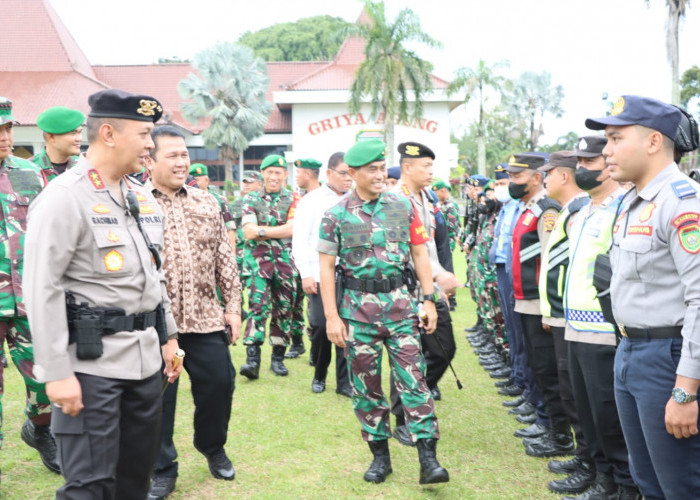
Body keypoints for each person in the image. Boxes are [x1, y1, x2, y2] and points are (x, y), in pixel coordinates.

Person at [24, 89, 182, 498]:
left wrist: (169, 336)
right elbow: (42, 289)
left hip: (145, 365)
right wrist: (56, 373)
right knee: (90, 488)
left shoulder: (140, 195)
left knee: (134, 481)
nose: (151, 143)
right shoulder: (64, 198)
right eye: (145, 134)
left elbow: (154, 274)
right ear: (109, 133)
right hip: (91, 370)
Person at [586, 95, 698, 499]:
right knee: (647, 481)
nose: (606, 150)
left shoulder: (683, 203)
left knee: (681, 483)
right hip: (631, 350)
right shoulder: (632, 202)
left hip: (668, 359)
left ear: (653, 141)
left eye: (616, 138)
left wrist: (686, 390)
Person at [318, 139, 449, 485]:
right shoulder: (335, 216)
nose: (380, 175)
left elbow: (420, 255)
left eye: (381, 168)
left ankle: (428, 459)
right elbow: (326, 269)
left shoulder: (403, 206)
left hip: (403, 309)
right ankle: (380, 457)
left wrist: (429, 300)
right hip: (357, 315)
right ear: (353, 173)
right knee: (366, 388)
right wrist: (332, 317)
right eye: (372, 170)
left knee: (414, 382)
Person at [146, 126, 242, 499]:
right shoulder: (136, 201)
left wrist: (232, 307)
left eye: (185, 154)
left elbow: (224, 258)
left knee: (219, 384)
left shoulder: (206, 201)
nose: (182, 161)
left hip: (205, 317)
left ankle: (212, 445)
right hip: (154, 324)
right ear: (149, 159)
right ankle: (162, 467)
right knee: (158, 397)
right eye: (172, 155)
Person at [559, 135, 637, 499]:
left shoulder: (621, 208)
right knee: (587, 414)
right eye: (579, 163)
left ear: (607, 167)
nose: (581, 170)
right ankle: (599, 475)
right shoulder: (586, 209)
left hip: (603, 330)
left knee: (609, 419)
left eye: (588, 163)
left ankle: (621, 484)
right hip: (576, 327)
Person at [0, 97, 58, 476]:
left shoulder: (30, 174)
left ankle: (39, 431)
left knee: (44, 381)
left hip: (26, 298)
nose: (5, 137)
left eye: (7, 128)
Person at [390, 142, 458, 445]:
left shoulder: (425, 197)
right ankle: (402, 416)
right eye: (426, 166)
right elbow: (404, 248)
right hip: (406, 291)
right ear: (407, 167)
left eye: (432, 165)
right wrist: (438, 274)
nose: (431, 171)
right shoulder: (395, 200)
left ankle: (415, 396)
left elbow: (428, 245)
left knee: (444, 348)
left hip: (427, 289)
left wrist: (435, 285)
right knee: (407, 356)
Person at [506, 153, 573, 454]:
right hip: (525, 301)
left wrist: (549, 308)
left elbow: (551, 261)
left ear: (536, 178)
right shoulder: (527, 209)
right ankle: (547, 423)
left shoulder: (546, 211)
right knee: (538, 366)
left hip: (539, 304)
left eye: (517, 177)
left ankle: (558, 434)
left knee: (548, 370)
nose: (511, 182)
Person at [535, 151, 593, 493]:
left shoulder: (579, 210)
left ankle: (589, 459)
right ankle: (585, 455)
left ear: (565, 176)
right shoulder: (573, 210)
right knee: (571, 391)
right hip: (562, 313)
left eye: (550, 173)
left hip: (574, 316)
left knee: (577, 393)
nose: (545, 179)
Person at [291, 153, 352, 396]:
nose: (349, 179)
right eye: (344, 173)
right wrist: (306, 273)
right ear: (329, 173)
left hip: (349, 275)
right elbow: (301, 240)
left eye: (352, 173)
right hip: (318, 274)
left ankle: (344, 382)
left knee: (346, 325)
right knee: (319, 325)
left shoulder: (356, 200)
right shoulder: (311, 201)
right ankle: (319, 373)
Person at [239, 154, 298, 378]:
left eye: (278, 172)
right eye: (270, 172)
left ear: (285, 175)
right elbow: (248, 231)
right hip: (258, 263)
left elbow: (291, 229)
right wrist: (278, 230)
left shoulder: (294, 199)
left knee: (284, 309)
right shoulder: (251, 199)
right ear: (263, 173)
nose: (274, 177)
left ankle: (278, 359)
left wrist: (262, 231)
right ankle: (252, 361)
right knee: (257, 307)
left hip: (285, 263)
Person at [286, 158, 324, 360]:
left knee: (317, 313)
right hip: (301, 262)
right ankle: (308, 347)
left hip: (320, 265)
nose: (296, 177)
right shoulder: (299, 198)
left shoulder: (323, 197)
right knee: (300, 306)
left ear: (308, 174)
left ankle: (316, 352)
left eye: (298, 173)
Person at [31, 106, 84, 182]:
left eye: (80, 132)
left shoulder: (84, 167)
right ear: (51, 137)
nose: (79, 138)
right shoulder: (28, 169)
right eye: (73, 133)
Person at [189, 163, 236, 248]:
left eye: (196, 180)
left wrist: (232, 257)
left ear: (206, 180)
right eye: (191, 181)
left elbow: (230, 231)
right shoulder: (186, 200)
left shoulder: (219, 201)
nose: (193, 184)